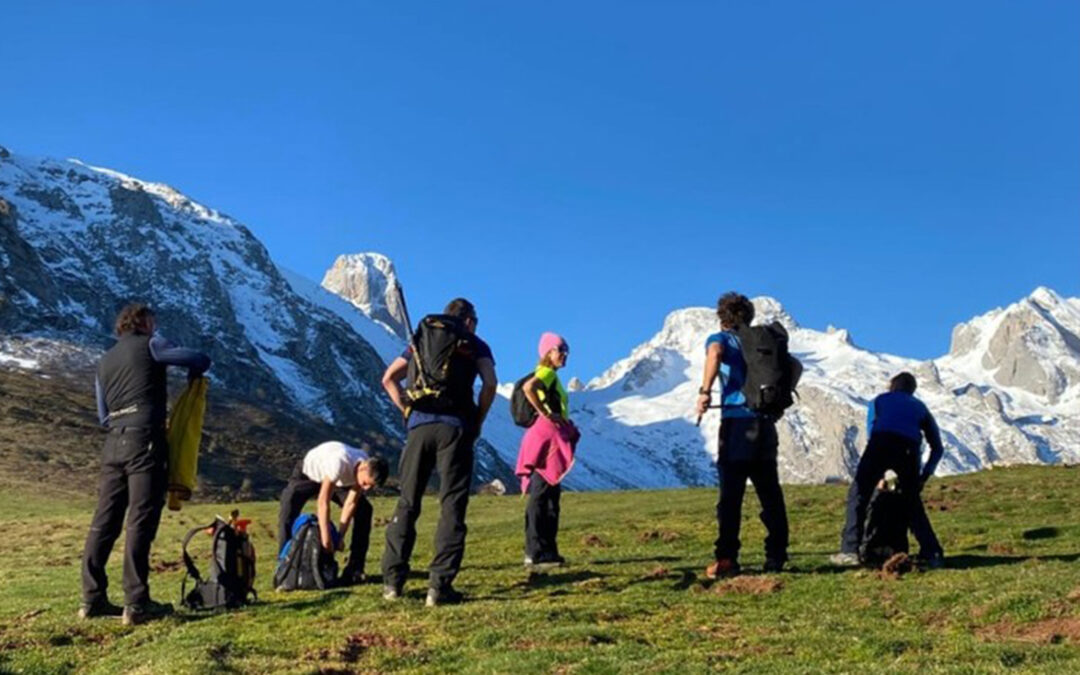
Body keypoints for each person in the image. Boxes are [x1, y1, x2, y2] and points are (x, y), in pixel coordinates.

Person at [81, 303, 211, 625]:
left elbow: (103, 416)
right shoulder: (152, 344)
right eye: (153, 321)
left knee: (105, 521)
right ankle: (137, 603)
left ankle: (92, 599)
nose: (156, 326)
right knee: (141, 519)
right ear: (143, 322)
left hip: (114, 444)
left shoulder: (104, 361)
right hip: (145, 442)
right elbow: (197, 359)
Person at [380, 298, 497, 606]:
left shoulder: (420, 341)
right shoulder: (475, 344)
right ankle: (439, 587)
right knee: (451, 505)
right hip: (455, 427)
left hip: (419, 428)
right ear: (469, 321)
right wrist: (478, 420)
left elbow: (388, 379)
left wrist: (407, 410)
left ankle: (392, 583)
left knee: (408, 502)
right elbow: (490, 384)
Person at [697, 292, 790, 577]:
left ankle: (727, 558)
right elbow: (793, 368)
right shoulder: (763, 342)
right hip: (765, 423)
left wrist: (704, 391)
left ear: (722, 318)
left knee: (731, 496)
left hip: (737, 424)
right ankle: (775, 555)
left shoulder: (722, 339)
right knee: (770, 493)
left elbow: (715, 354)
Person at [831, 372, 946, 568]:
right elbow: (937, 447)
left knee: (859, 494)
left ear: (892, 386)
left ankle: (850, 550)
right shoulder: (920, 407)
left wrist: (878, 473)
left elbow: (871, 429)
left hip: (881, 443)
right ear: (912, 390)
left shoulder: (879, 400)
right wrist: (924, 476)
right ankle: (932, 552)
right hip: (909, 450)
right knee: (912, 502)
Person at [277, 441, 389, 584]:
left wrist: (339, 537)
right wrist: (326, 539)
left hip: (338, 482)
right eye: (365, 483)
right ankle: (284, 568)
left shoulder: (364, 463)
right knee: (287, 508)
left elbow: (350, 503)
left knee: (364, 510)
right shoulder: (339, 462)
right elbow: (323, 502)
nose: (366, 488)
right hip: (309, 475)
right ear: (362, 469)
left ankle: (354, 569)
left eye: (370, 486)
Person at [516, 332, 579, 568]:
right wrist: (547, 414)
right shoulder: (547, 373)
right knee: (542, 495)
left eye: (566, 351)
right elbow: (529, 388)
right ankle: (535, 552)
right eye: (560, 350)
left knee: (550, 495)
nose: (564, 355)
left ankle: (548, 551)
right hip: (547, 441)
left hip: (543, 439)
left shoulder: (549, 375)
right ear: (548, 352)